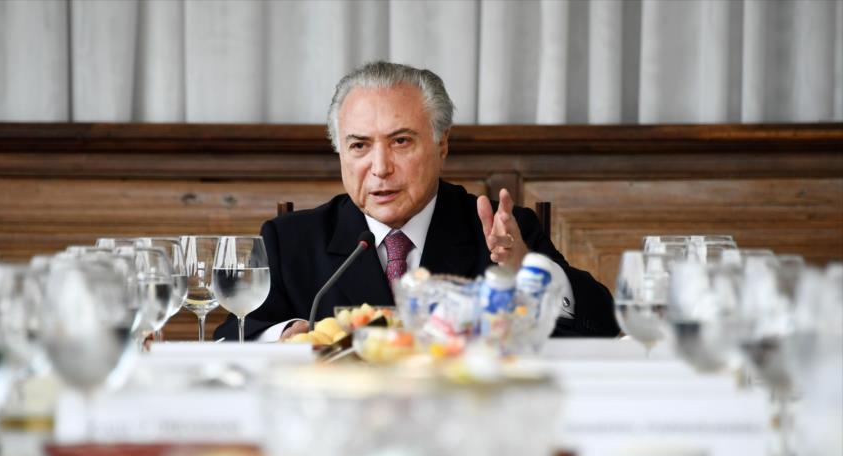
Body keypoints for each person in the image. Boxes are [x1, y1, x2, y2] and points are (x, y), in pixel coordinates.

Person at [215, 61, 619, 341]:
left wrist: (529, 270)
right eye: (359, 146)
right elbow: (232, 336)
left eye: (401, 141)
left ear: (442, 146)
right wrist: (284, 337)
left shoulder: (500, 233)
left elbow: (600, 327)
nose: (380, 168)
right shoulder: (291, 241)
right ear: (340, 153)